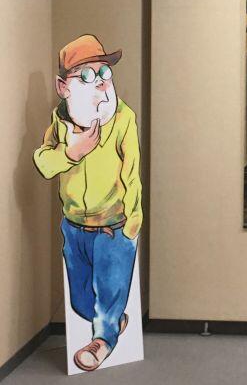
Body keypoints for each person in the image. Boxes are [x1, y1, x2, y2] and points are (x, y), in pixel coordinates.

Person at [33, 35, 142, 372]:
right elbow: (43, 163)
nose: (100, 83)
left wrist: (133, 219)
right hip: (74, 226)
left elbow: (132, 170)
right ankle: (113, 320)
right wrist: (72, 152)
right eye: (86, 75)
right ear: (63, 87)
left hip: (114, 226)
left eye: (104, 73)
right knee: (82, 301)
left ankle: (103, 340)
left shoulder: (122, 119)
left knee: (109, 288)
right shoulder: (59, 121)